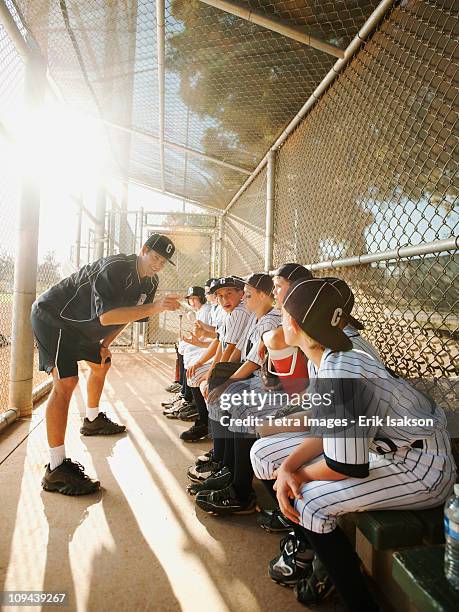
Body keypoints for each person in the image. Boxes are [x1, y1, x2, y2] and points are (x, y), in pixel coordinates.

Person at [250, 278, 456, 609]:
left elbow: (346, 465)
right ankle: (324, 555)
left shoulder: (340, 366)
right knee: (275, 466)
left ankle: (355, 597)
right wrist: (288, 468)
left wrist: (296, 477)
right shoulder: (331, 355)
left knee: (309, 502)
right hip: (396, 453)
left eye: (286, 313)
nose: (282, 319)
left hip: (423, 467)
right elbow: (327, 433)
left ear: (297, 323)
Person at [31, 233, 181, 496]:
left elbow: (126, 318)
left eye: (164, 261)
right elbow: (107, 315)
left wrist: (105, 345)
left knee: (102, 363)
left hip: (80, 328)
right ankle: (55, 468)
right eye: (156, 257)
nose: (158, 264)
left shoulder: (150, 282)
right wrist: (155, 308)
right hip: (54, 317)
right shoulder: (116, 267)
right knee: (66, 383)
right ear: (143, 250)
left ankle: (92, 420)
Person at [193, 273, 282, 514]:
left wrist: (224, 385)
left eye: (249, 294)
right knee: (228, 396)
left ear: (264, 295)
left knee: (238, 403)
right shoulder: (257, 316)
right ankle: (230, 470)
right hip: (259, 380)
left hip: (272, 385)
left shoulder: (269, 321)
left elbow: (253, 362)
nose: (245, 298)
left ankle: (240, 491)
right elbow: (239, 352)